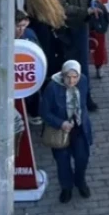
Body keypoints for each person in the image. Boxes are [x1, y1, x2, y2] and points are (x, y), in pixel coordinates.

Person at [40, 60, 95, 203]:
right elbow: (44, 112)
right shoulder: (52, 88)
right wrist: (61, 123)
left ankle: (80, 181)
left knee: (82, 158)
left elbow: (83, 102)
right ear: (62, 75)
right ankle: (67, 187)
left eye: (74, 77)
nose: (71, 81)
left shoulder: (83, 80)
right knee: (62, 161)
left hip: (79, 127)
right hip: (60, 130)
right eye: (68, 77)